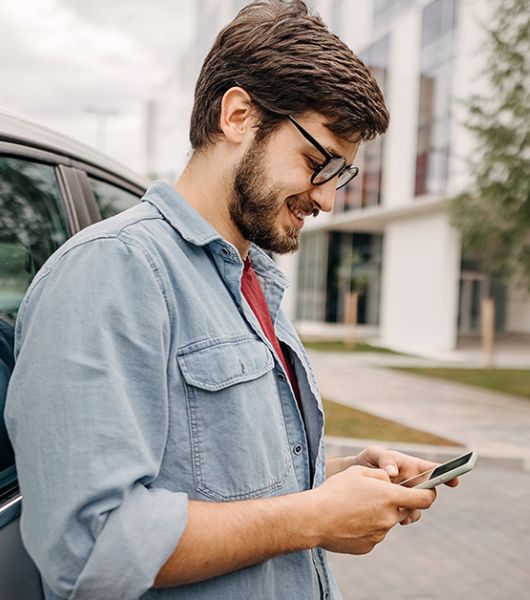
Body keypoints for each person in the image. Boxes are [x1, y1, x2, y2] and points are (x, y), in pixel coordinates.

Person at [5, 1, 458, 599]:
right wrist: (315, 516)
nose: (327, 200)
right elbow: (94, 547)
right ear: (239, 115)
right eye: (318, 162)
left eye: (340, 176)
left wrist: (337, 482)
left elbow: (213, 479)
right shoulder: (111, 270)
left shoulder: (253, 281)